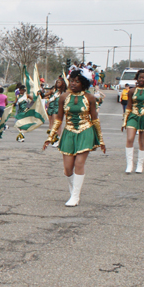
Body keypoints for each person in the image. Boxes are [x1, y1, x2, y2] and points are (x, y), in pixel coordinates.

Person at [43, 69, 105, 207]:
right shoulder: (63, 97)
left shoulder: (90, 98)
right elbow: (58, 119)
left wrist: (100, 139)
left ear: (83, 83)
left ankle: (75, 196)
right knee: (67, 169)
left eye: (77, 81)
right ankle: (73, 191)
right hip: (69, 132)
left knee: (79, 164)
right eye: (71, 81)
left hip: (85, 131)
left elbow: (95, 119)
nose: (73, 83)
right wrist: (50, 136)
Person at [122, 69, 144, 174]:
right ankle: (129, 164)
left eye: (143, 78)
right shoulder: (131, 91)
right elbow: (129, 106)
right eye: (140, 77)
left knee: (142, 141)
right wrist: (125, 120)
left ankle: (140, 165)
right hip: (133, 116)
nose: (141, 79)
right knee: (130, 138)